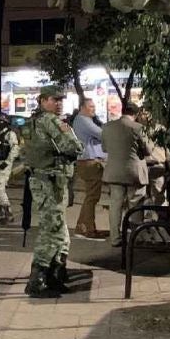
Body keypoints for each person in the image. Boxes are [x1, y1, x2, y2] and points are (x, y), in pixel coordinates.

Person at [22, 85, 82, 298]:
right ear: (43, 100)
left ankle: (56, 274)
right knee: (52, 230)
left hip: (43, 179)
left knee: (59, 229)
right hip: (50, 181)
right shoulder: (51, 121)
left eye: (60, 100)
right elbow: (74, 147)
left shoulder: (33, 121)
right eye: (54, 99)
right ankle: (37, 280)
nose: (58, 103)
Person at [101, 102, 152, 247]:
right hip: (134, 173)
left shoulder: (107, 127)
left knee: (115, 205)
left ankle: (115, 238)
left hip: (114, 172)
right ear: (135, 114)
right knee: (135, 204)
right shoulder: (138, 128)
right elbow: (147, 151)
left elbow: (104, 148)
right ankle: (136, 236)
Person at [72, 98, 107, 238]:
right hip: (89, 161)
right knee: (92, 197)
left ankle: (83, 226)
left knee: (91, 196)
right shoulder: (83, 120)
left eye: (94, 106)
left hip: (88, 160)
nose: (94, 109)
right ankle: (88, 229)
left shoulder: (84, 120)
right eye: (91, 106)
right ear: (82, 107)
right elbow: (102, 134)